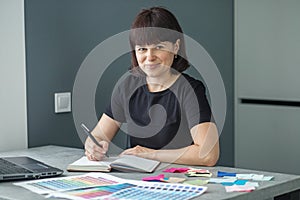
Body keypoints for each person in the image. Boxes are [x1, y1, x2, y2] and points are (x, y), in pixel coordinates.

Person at [84, 6, 219, 166]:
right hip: (136, 179)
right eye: (142, 49)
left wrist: (149, 154)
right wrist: (93, 146)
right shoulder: (127, 86)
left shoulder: (190, 90)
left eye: (159, 47)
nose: (150, 56)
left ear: (176, 47)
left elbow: (208, 154)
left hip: (177, 180)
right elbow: (98, 136)